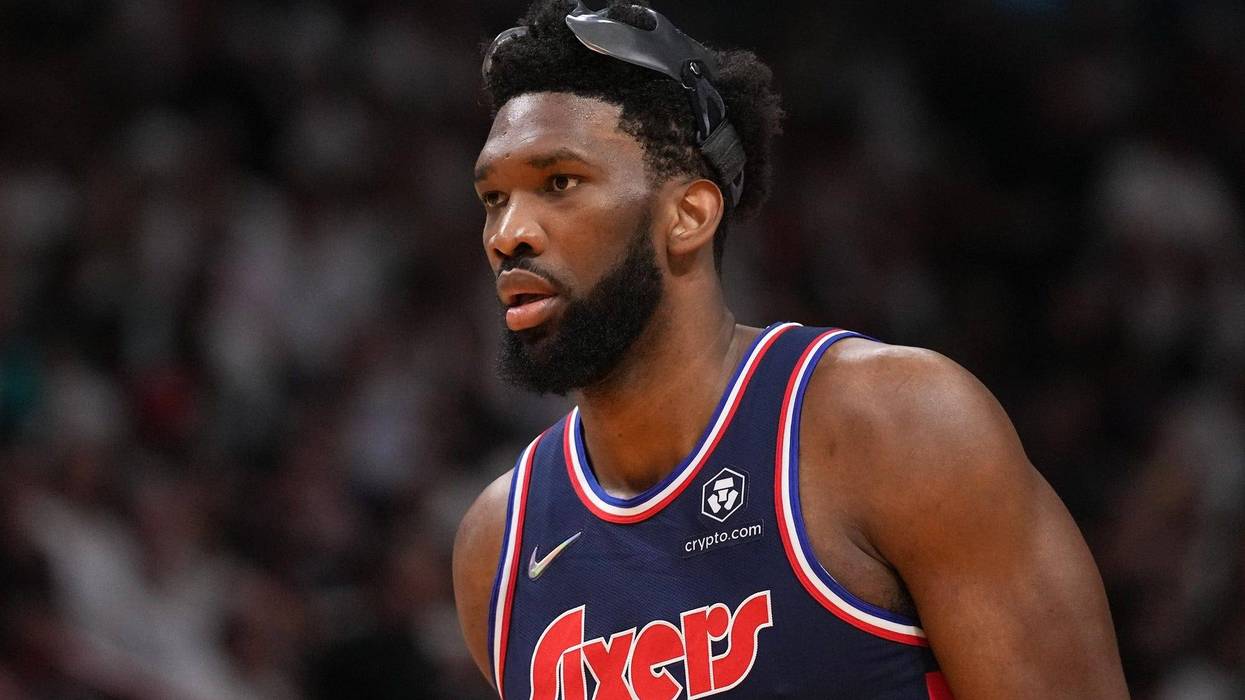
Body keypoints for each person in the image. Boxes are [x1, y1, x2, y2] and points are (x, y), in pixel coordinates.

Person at [453, 1, 1129, 697]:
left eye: (558, 183)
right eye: (493, 197)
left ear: (688, 214)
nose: (507, 235)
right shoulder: (496, 546)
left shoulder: (896, 426)